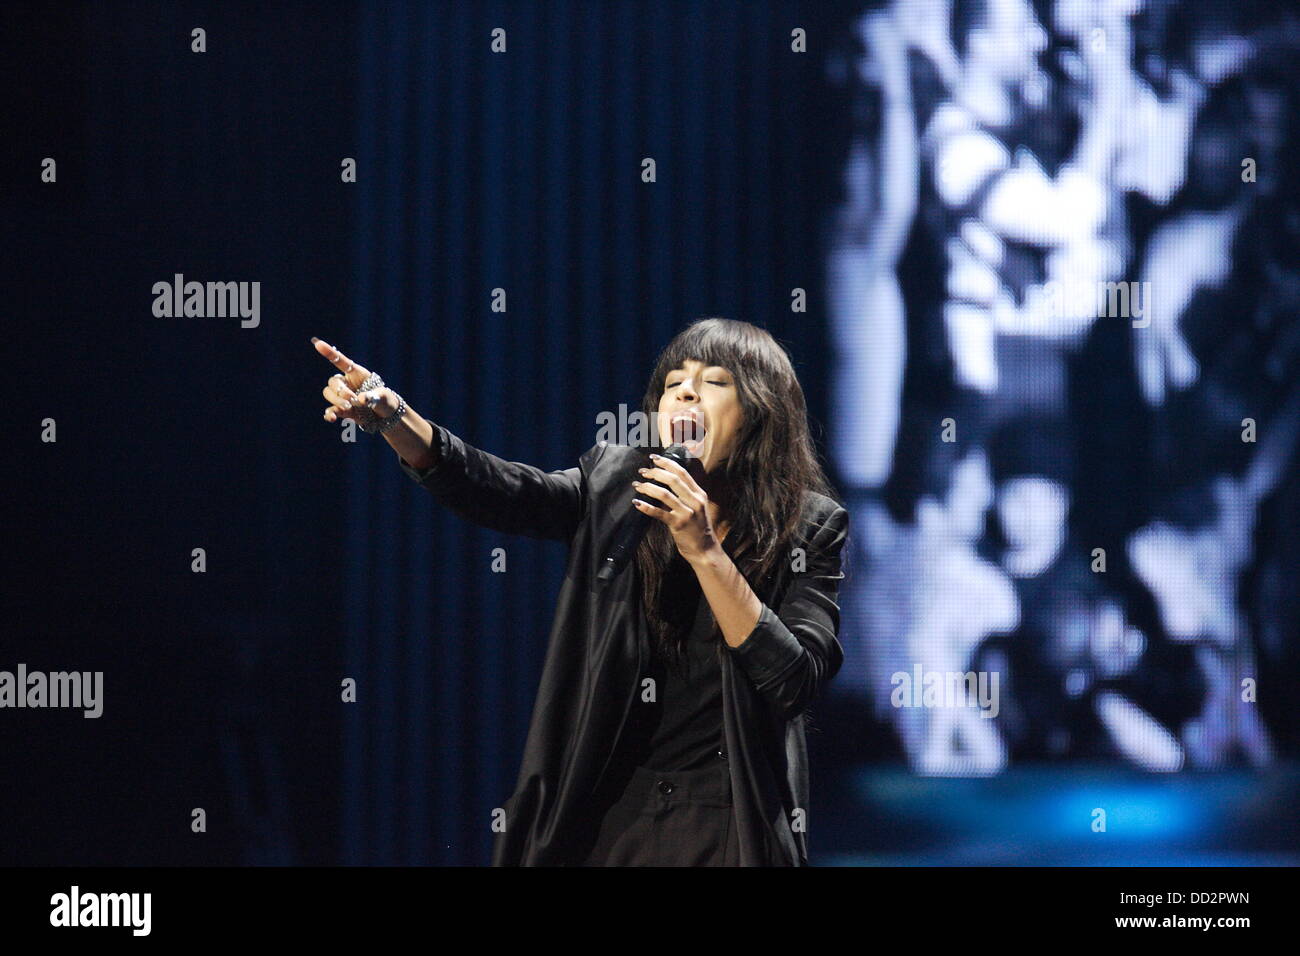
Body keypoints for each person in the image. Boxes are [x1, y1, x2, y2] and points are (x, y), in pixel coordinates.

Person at [312, 318, 850, 865]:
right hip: (607, 809)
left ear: (761, 411)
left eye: (714, 381)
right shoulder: (616, 484)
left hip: (730, 818)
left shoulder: (809, 526)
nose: (684, 391)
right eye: (673, 382)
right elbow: (503, 489)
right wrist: (395, 419)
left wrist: (705, 551)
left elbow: (794, 681)